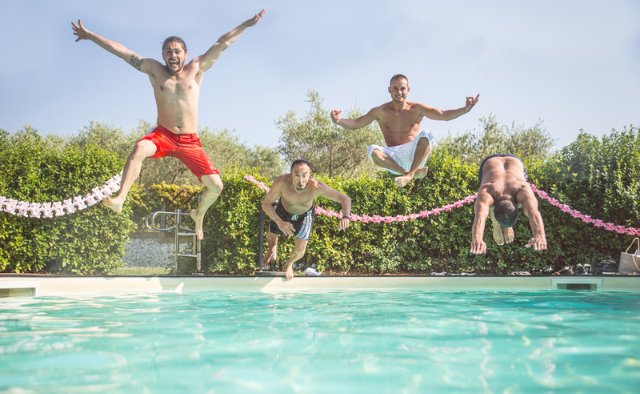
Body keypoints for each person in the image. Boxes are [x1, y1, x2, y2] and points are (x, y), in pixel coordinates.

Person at [71, 10, 266, 239]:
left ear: (185, 54)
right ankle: (121, 198)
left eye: (177, 51)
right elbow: (123, 52)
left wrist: (245, 24)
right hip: (163, 136)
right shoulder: (154, 69)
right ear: (163, 55)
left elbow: (222, 43)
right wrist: (91, 35)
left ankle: (198, 214)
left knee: (216, 187)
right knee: (139, 148)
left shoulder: (196, 68)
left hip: (190, 141)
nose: (173, 55)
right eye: (168, 51)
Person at [331, 74, 479, 187]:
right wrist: (338, 121)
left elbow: (444, 115)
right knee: (372, 150)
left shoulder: (417, 109)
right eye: (395, 88)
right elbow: (357, 123)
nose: (399, 92)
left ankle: (410, 173)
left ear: (408, 90)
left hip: (414, 154)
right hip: (393, 158)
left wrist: (465, 109)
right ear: (389, 90)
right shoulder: (380, 111)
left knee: (427, 134)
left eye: (402, 89)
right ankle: (409, 174)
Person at [261, 160, 352, 280]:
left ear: (309, 175)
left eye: (304, 175)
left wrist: (345, 216)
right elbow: (266, 204)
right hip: (283, 212)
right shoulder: (282, 183)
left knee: (299, 252)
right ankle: (271, 249)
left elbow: (345, 199)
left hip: (305, 215)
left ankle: (289, 264)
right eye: (297, 174)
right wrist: (279, 222)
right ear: (291, 174)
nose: (300, 180)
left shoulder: (317, 187)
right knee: (271, 238)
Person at [470, 154, 547, 254]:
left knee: (486, 204)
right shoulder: (522, 189)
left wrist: (478, 238)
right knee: (490, 204)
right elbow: (533, 212)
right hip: (502, 162)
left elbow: (480, 216)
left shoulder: (487, 191)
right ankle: (498, 223)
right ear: (517, 207)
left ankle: (504, 223)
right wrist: (538, 234)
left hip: (505, 163)